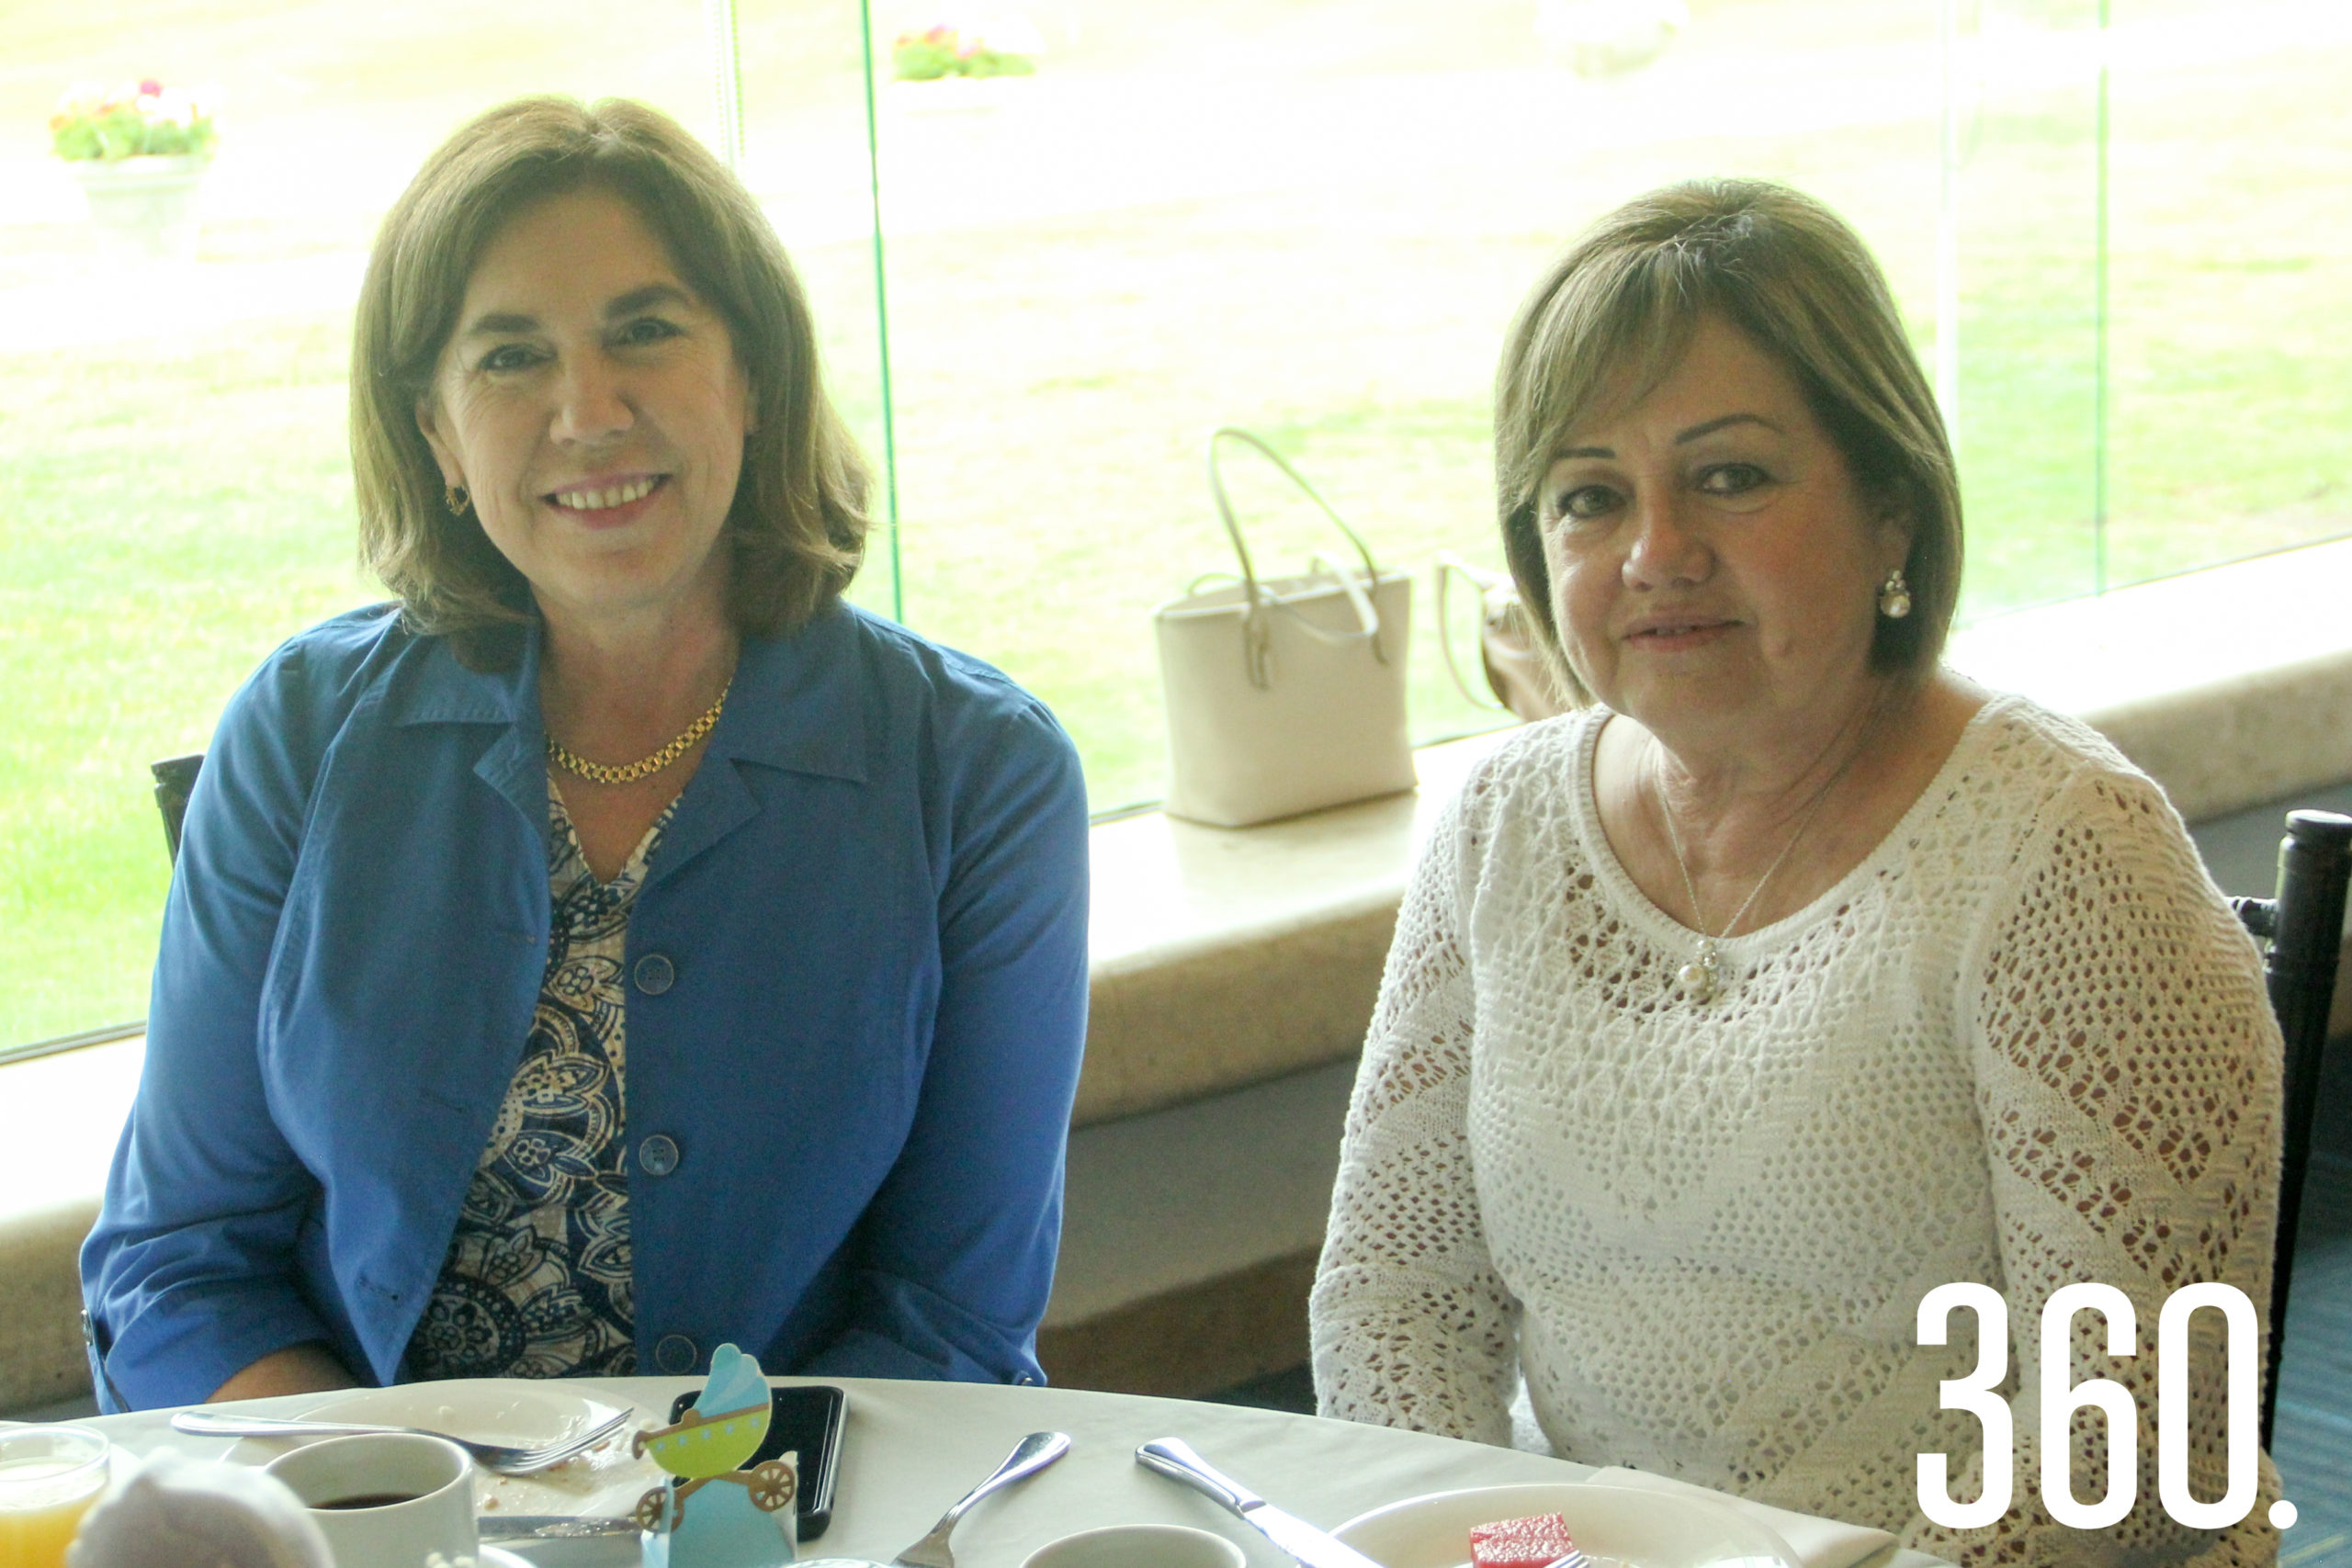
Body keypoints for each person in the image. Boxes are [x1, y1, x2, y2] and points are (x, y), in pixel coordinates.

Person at [1308, 178, 2285, 1563]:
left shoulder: (2063, 852)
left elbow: (2133, 1442)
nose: (1656, 554)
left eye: (1730, 475)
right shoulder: (1503, 824)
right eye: (1592, 497)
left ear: (1890, 507)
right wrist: (1505, 1551)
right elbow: (1395, 1300)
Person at [81, 96, 1091, 1410]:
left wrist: (689, 1539)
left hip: (803, 1528)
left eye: (646, 332)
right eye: (509, 358)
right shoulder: (298, 735)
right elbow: (179, 1265)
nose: (587, 411)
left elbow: (950, 1323)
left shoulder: (981, 773)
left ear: (755, 375)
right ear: (438, 434)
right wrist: (389, 1526)